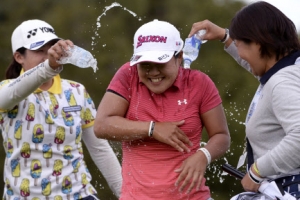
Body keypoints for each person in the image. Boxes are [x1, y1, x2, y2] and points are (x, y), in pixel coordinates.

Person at [93, 19, 230, 200]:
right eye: (146, 65)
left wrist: (203, 155)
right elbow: (101, 125)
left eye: (160, 63)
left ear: (179, 57)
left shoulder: (199, 82)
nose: (153, 72)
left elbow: (221, 136)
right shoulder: (128, 74)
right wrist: (152, 128)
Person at [187, 1, 300, 198]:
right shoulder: (290, 69)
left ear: (257, 43)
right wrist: (225, 37)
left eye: (240, 46)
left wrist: (257, 172)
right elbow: (265, 72)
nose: (239, 53)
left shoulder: (281, 83)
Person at [0, 19, 122, 200]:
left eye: (51, 49)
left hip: (79, 194)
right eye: (39, 51)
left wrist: (125, 193)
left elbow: (99, 148)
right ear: (19, 57)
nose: (48, 55)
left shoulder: (76, 91)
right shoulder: (7, 89)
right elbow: (8, 96)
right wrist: (48, 67)